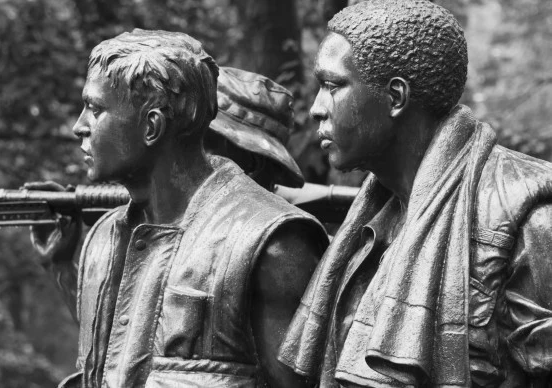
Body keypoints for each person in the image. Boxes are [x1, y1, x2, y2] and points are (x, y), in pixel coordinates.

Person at [31, 29, 327, 388]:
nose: (79, 127)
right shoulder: (103, 239)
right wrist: (63, 268)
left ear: (152, 125)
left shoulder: (273, 244)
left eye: (95, 109)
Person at [277, 0, 552, 387]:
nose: (317, 110)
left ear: (396, 98)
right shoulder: (373, 220)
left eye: (333, 85)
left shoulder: (526, 211)